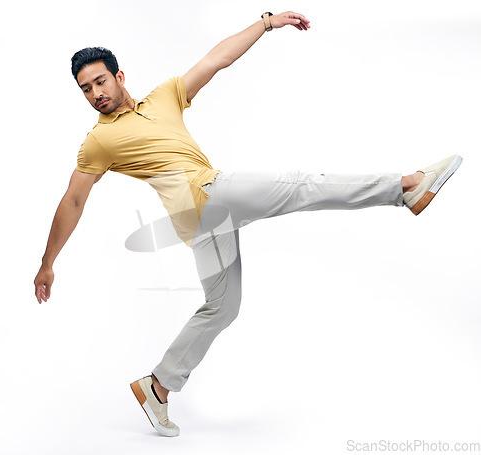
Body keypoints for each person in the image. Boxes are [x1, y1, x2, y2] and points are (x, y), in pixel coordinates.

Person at [33, 11, 462, 437]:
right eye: (86, 89)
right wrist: (48, 262)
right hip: (207, 196)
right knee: (300, 186)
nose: (95, 94)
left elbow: (215, 60)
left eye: (100, 82)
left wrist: (266, 23)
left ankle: (157, 386)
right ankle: (406, 187)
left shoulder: (164, 97)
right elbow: (73, 200)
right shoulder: (99, 140)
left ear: (119, 76)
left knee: (223, 307)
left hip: (199, 221)